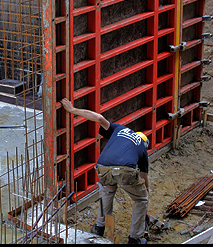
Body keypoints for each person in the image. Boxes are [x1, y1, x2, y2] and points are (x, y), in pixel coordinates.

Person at [60, 98, 149, 244]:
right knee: (141, 199)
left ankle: (99, 227)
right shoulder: (142, 147)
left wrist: (73, 110)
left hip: (102, 166)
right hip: (124, 169)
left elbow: (99, 118)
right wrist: (145, 195)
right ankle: (135, 238)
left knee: (107, 192)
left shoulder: (120, 129)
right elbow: (144, 179)